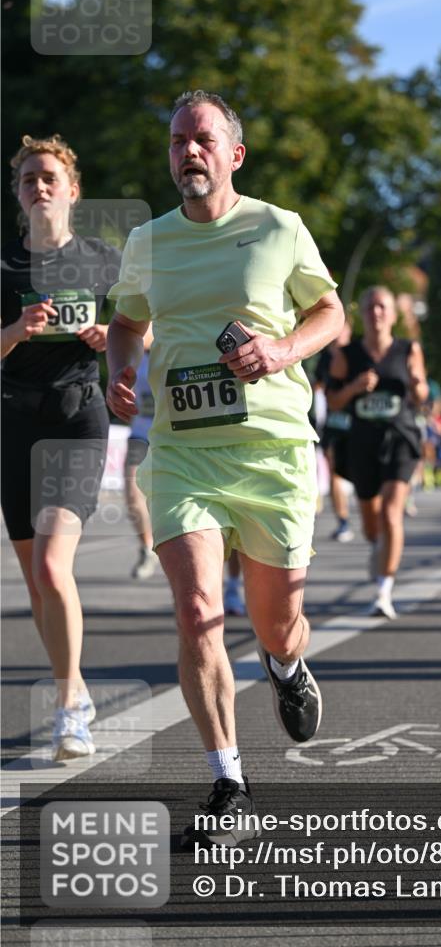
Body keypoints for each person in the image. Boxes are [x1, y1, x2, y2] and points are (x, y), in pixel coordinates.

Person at [105, 90, 344, 842]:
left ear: (233, 153)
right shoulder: (148, 240)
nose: (187, 152)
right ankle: (228, 781)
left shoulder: (278, 228)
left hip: (271, 451)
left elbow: (329, 312)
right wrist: (118, 369)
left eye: (202, 139)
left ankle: (284, 662)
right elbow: (127, 320)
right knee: (197, 612)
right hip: (182, 454)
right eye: (177, 141)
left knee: (276, 622)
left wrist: (279, 351)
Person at [1, 134, 118, 760]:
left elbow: (140, 330)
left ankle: (70, 702)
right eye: (27, 180)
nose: (39, 186)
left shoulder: (104, 260)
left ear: (72, 189)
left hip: (77, 419)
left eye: (49, 177)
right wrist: (17, 330)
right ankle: (69, 688)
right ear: (18, 195)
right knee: (36, 582)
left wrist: (112, 339)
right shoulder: (3, 266)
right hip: (13, 425)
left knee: (52, 565)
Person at [327, 286, 429, 619]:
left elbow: (422, 394)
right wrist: (354, 388)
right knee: (372, 523)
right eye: (370, 307)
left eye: (382, 306)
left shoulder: (408, 349)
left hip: (400, 436)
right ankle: (378, 547)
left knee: (390, 513)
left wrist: (416, 385)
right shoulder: (348, 354)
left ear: (393, 315)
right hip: (362, 440)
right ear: (363, 315)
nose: (376, 312)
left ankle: (384, 591)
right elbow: (332, 400)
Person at [314, 320, 355, 542]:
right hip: (333, 423)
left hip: (359, 423)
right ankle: (343, 520)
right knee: (335, 472)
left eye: (342, 329)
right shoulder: (325, 358)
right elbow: (317, 387)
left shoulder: (359, 353)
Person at [124, 331, 160, 579]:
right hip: (140, 435)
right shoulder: (134, 356)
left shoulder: (169, 346)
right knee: (131, 490)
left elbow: (145, 336)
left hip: (171, 436)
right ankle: (148, 548)